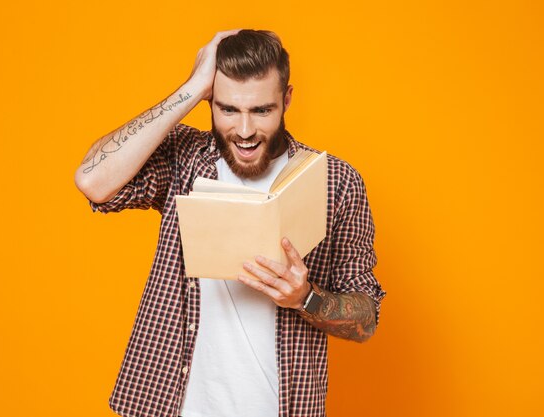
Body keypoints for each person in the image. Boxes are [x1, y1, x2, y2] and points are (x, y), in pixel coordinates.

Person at [74, 29, 386, 417]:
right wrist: (191, 88)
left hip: (279, 407)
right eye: (228, 109)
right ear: (210, 101)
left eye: (261, 110)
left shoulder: (335, 183)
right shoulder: (183, 159)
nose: (244, 131)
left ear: (286, 99)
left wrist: (305, 298)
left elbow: (365, 319)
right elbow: (93, 181)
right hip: (170, 407)